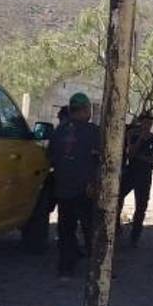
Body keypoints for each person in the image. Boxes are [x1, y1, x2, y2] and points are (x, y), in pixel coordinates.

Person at [48, 93, 102, 278]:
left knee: (66, 229)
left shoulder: (59, 131)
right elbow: (101, 159)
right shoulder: (93, 132)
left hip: (63, 188)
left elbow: (51, 157)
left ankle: (65, 267)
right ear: (86, 109)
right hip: (86, 189)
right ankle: (96, 267)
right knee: (90, 228)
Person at [20, 106, 72, 254]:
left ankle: (40, 243)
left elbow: (49, 155)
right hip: (77, 181)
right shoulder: (85, 132)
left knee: (46, 209)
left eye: (61, 118)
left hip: (60, 178)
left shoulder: (58, 134)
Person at [118, 111, 153, 246]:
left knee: (141, 206)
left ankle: (135, 237)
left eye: (150, 123)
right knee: (118, 197)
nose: (147, 125)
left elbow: (151, 159)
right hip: (131, 172)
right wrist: (140, 140)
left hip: (145, 175)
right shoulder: (133, 135)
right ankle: (116, 227)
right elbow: (130, 153)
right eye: (145, 122)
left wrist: (138, 155)